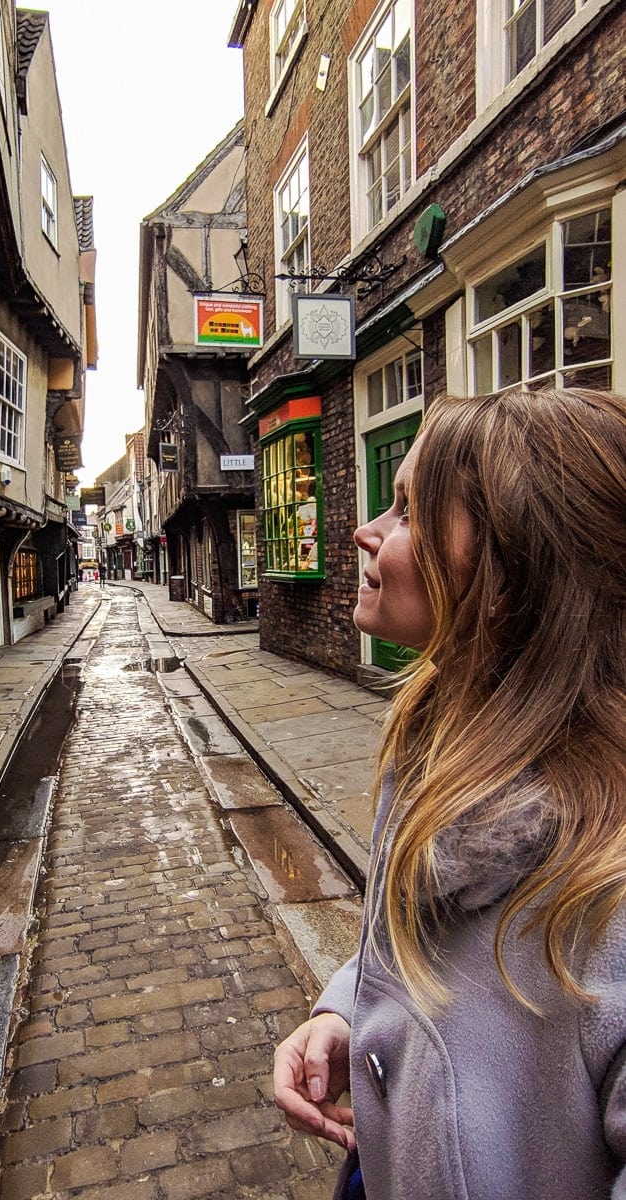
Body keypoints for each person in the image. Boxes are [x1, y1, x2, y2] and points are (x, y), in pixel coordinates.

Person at [273, 389, 626, 1200]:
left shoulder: (604, 890)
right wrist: (344, 1013)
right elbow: (416, 945)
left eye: (406, 512)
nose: (366, 530)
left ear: (510, 573)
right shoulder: (441, 745)